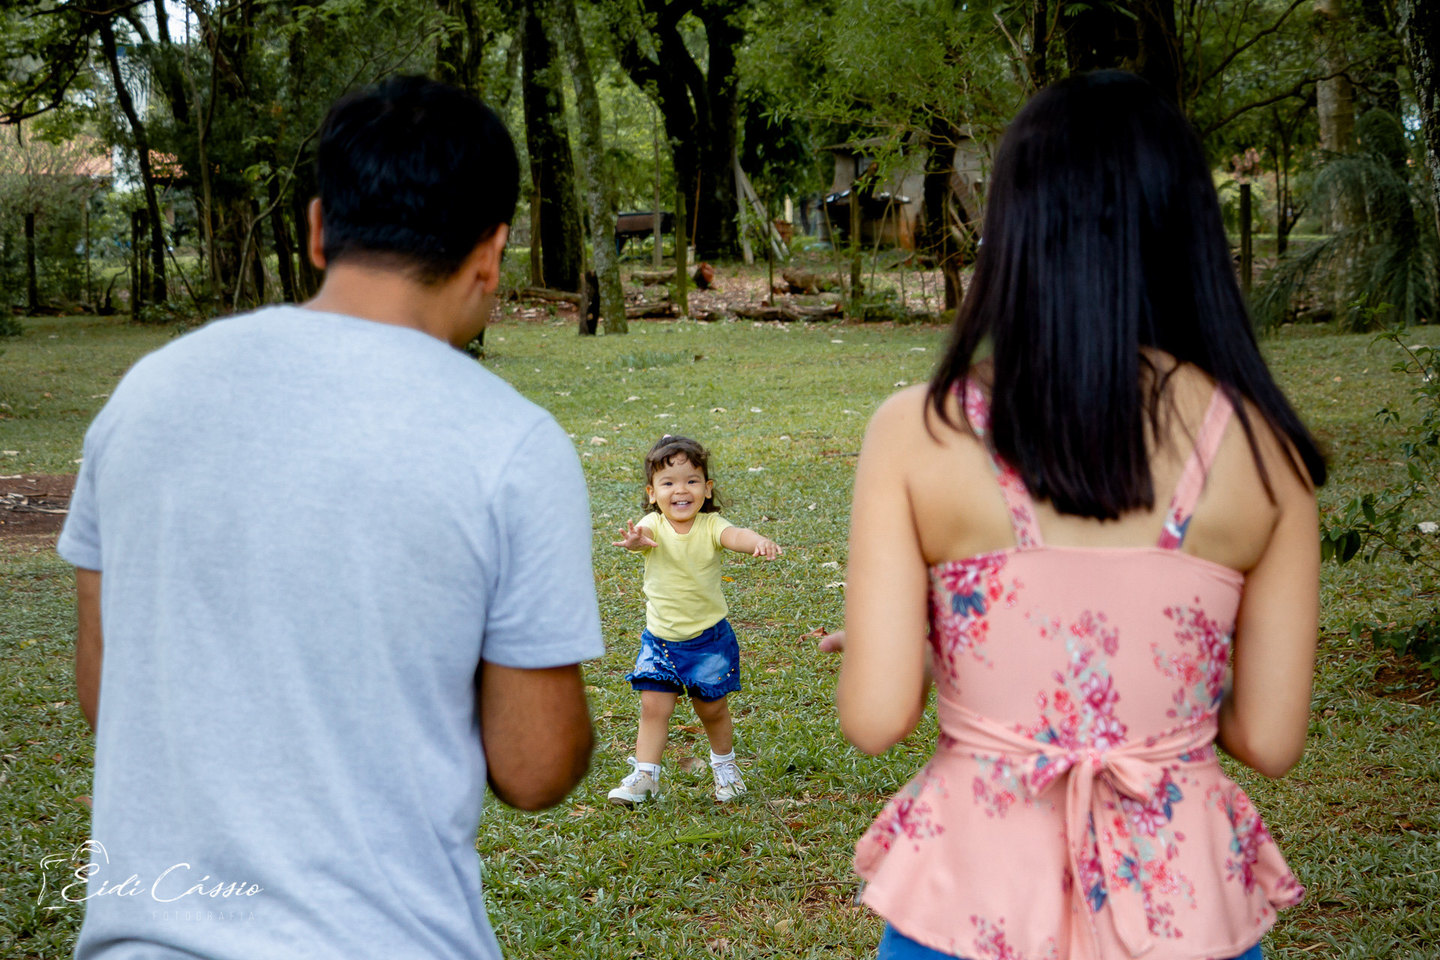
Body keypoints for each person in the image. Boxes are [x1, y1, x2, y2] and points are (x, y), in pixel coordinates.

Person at [57, 75, 602, 960]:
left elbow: (103, 689)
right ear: (491, 252)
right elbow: (535, 768)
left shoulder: (145, 396)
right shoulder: (510, 442)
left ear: (317, 229)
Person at [834, 71, 1326, 960]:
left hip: (970, 904)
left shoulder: (918, 430)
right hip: (1182, 908)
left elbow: (876, 716)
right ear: (1189, 231)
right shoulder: (1268, 454)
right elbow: (1270, 737)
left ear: (1016, 231)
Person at [607, 434, 781, 805]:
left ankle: (725, 768)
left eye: (691, 481)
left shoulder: (711, 525)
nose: (680, 490)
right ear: (652, 493)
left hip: (707, 643)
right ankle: (645, 777)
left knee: (712, 710)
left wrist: (758, 542)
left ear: (707, 488)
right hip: (660, 641)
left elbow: (736, 535)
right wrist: (636, 541)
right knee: (653, 707)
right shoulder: (652, 525)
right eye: (668, 483)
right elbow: (645, 535)